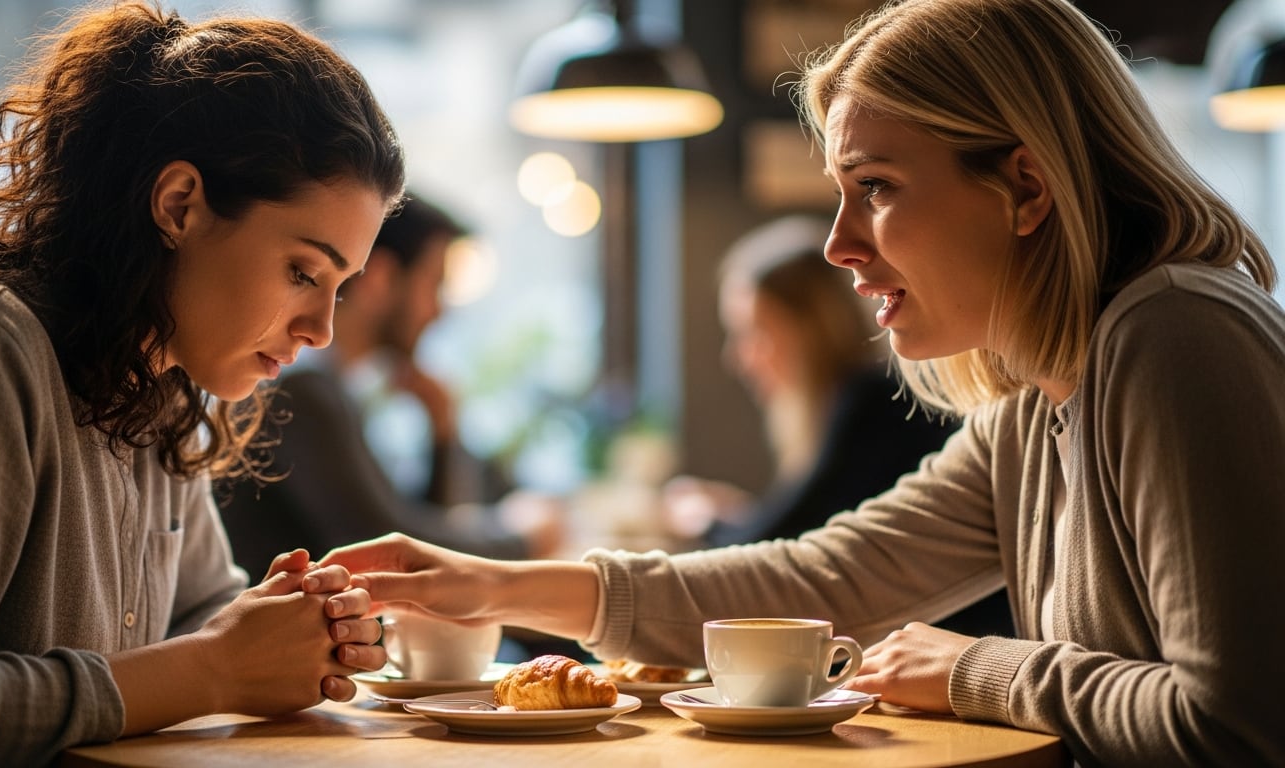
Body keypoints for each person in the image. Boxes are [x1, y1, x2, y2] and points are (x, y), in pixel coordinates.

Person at [315, 0, 1285, 764]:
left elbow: (1234, 727)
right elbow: (824, 578)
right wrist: (490, 587)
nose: (838, 245)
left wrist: (975, 671)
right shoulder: (1042, 400)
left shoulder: (1173, 338)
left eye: (877, 188)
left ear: (1026, 189)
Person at [0, 4, 402, 765]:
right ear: (179, 204)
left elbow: (197, 620)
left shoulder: (159, 391)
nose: (321, 328)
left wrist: (290, 630)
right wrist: (219, 666)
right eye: (302, 273)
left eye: (338, 288)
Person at [662, 215, 1010, 637]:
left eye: (756, 331)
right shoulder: (854, 398)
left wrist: (703, 519)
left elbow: (786, 553)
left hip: (948, 650)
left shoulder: (874, 401)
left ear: (810, 326)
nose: (739, 358)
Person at [217, 195, 563, 580]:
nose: (439, 310)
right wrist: (524, 538)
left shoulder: (339, 388)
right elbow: (391, 552)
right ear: (381, 278)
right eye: (435, 286)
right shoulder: (299, 392)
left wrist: (443, 431)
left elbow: (421, 529)